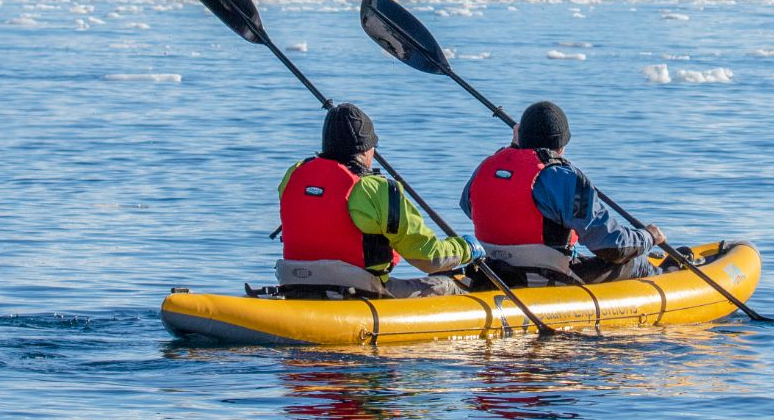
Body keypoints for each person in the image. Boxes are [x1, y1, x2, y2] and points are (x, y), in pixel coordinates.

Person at [277, 102, 480, 298]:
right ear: (367, 149)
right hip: (359, 292)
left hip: (295, 283)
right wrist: (466, 249)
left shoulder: (294, 174)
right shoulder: (375, 189)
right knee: (447, 284)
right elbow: (428, 258)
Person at [460, 100, 666, 287]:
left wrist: (515, 148)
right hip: (546, 278)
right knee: (637, 262)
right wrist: (648, 236)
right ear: (561, 146)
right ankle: (669, 275)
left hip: (493, 272)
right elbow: (611, 247)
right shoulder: (563, 178)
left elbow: (470, 208)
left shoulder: (487, 166)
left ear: (520, 135)